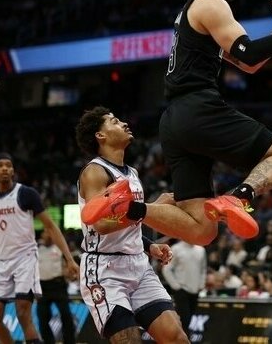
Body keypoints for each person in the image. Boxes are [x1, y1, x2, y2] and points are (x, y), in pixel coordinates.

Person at [81, 0, 272, 244]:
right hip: (198, 108)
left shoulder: (188, 13)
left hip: (174, 121)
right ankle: (240, 197)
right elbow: (249, 53)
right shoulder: (211, 4)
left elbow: (246, 65)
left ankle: (129, 206)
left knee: (202, 229)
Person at [75, 108, 189, 343]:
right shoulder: (95, 172)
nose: (124, 123)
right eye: (115, 121)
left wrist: (149, 246)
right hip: (104, 269)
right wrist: (152, 206)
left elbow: (127, 224)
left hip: (138, 264)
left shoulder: (132, 173)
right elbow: (101, 225)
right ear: (100, 136)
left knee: (176, 337)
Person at [0, 152, 79, 344]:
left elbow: (51, 226)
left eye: (8, 165)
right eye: (0, 165)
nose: (5, 169)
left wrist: (69, 258)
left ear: (13, 171)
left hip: (24, 258)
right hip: (0, 261)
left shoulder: (26, 194)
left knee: (23, 311)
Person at [37, 229, 77, 344]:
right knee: (43, 318)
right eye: (46, 232)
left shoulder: (60, 248)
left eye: (50, 232)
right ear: (42, 235)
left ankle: (69, 341)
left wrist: (70, 273)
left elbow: (68, 265)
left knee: (66, 315)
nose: (48, 234)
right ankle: (48, 341)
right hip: (42, 286)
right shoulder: (36, 249)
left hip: (58, 285)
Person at [161, 240, 207, 337]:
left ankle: (178, 339)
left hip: (195, 290)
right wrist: (176, 286)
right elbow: (167, 269)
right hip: (181, 290)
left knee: (189, 319)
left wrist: (201, 285)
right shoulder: (176, 249)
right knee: (184, 319)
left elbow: (203, 269)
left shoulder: (201, 250)